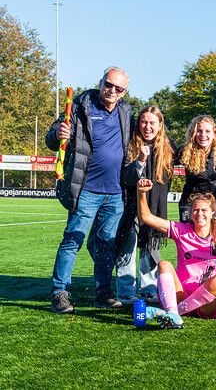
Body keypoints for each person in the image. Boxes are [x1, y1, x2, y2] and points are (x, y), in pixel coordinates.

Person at [46, 66, 134, 313]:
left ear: (125, 92)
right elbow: (52, 137)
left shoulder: (126, 112)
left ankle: (103, 293)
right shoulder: (79, 105)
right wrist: (57, 134)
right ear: (100, 82)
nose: (112, 91)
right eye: (109, 84)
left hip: (115, 193)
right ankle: (59, 293)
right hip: (85, 190)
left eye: (118, 88)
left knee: (106, 245)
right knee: (72, 240)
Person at [137, 179, 216, 328]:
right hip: (181, 295)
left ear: (212, 213)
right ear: (191, 213)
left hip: (207, 303)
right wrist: (141, 193)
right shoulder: (182, 230)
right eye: (195, 210)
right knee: (164, 264)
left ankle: (174, 313)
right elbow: (146, 218)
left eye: (204, 210)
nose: (199, 214)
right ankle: (173, 311)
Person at [114, 106, 175, 305]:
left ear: (160, 125)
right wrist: (140, 160)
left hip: (155, 209)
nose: (147, 127)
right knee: (127, 248)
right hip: (130, 206)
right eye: (143, 122)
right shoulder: (130, 145)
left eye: (152, 123)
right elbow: (126, 177)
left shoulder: (169, 148)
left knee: (151, 248)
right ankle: (125, 291)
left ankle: (149, 288)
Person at [178, 115, 216, 222]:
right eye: (199, 131)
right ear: (194, 133)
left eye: (207, 131)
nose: (203, 135)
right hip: (191, 203)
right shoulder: (185, 151)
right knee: (189, 236)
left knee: (215, 237)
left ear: (214, 133)